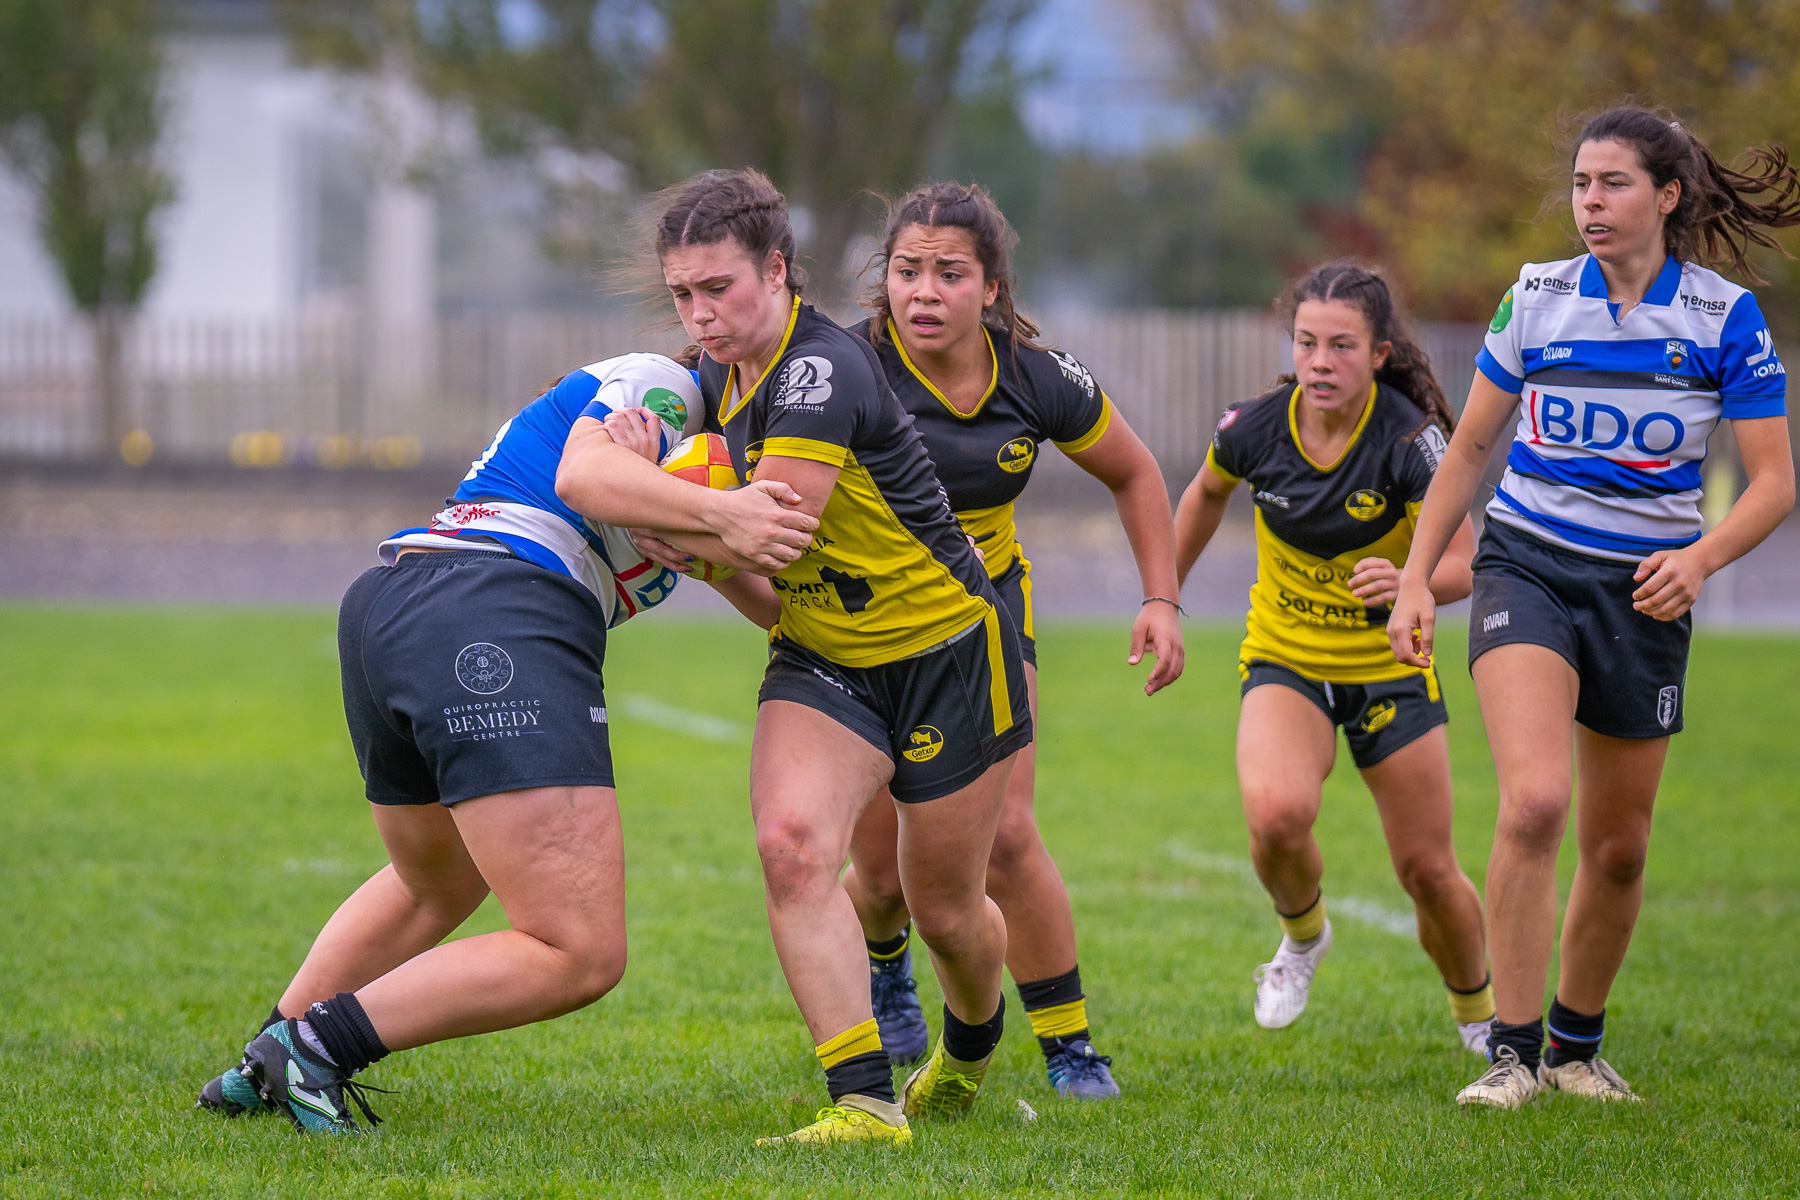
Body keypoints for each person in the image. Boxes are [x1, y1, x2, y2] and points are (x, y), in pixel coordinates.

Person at [195, 352, 816, 1133]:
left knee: (437, 880)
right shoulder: (670, 385)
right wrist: (713, 514)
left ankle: (261, 1064)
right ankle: (317, 1048)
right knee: (579, 949)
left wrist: (709, 540)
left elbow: (773, 607)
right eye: (696, 291)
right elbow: (584, 480)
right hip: (494, 607)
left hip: (399, 601)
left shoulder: (711, 454)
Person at [1389, 106, 1797, 1109]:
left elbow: (1773, 483)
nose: (1590, 203)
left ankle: (1575, 1048)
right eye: (1580, 184)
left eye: (1612, 184)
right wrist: (1412, 575)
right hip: (1526, 567)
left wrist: (1698, 561)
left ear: (1667, 195)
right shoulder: (1532, 298)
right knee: (1534, 801)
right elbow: (1473, 450)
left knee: (1618, 848)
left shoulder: (1722, 318)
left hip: (1646, 593)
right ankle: (1514, 1058)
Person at [633, 168, 1035, 1148]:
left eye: (718, 288)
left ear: (776, 270)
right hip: (823, 657)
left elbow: (774, 528)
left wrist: (653, 505)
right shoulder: (707, 380)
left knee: (944, 911)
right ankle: (863, 1100)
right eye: (683, 294)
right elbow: (766, 588)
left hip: (948, 648)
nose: (701, 314)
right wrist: (690, 553)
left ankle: (974, 1046)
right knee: (792, 848)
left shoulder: (821, 369)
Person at [829, 181, 1184, 1102]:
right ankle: (885, 963)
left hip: (984, 618)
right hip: (862, 623)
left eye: (950, 273)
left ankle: (1070, 1046)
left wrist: (1161, 598)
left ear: (991, 287)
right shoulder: (843, 368)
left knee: (1011, 834)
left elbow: (1138, 472)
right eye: (907, 270)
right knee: (878, 868)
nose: (924, 291)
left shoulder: (1035, 377)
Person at [1174, 262, 1496, 1053]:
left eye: (1342, 346)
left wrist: (1414, 579)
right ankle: (1305, 936)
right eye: (1307, 343)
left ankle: (1483, 1022)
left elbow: (1466, 560)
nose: (1321, 362)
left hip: (1391, 669)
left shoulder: (1409, 441)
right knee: (1276, 816)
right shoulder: (1254, 427)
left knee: (1427, 871)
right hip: (1286, 659)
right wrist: (1162, 599)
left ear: (1379, 353)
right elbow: (1204, 495)